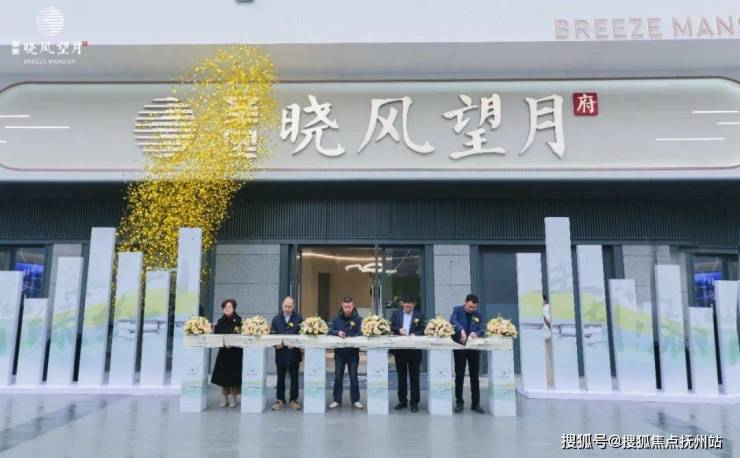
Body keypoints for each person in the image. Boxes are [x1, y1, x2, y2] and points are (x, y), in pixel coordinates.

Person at [450, 294, 485, 414]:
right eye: (469, 307)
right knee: (459, 376)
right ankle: (459, 402)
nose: (471, 309)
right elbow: (453, 321)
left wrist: (477, 334)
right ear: (465, 302)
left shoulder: (478, 314)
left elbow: (482, 329)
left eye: (474, 307)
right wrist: (461, 330)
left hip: (473, 349)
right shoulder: (457, 310)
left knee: (474, 377)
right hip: (460, 347)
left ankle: (476, 404)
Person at [390, 296, 425, 412]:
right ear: (402, 304)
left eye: (410, 306)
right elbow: (390, 326)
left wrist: (416, 334)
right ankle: (402, 401)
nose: (408, 308)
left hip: (414, 350)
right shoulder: (396, 314)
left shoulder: (420, 315)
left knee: (415, 377)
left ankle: (414, 402)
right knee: (401, 376)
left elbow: (423, 329)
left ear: (414, 305)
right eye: (406, 306)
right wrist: (398, 330)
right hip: (400, 349)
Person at [328, 297, 363, 409]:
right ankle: (336, 399)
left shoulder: (358, 319)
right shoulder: (336, 318)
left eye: (349, 307)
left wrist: (352, 336)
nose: (347, 309)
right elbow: (329, 330)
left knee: (354, 377)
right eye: (345, 307)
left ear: (353, 306)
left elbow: (361, 332)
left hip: (353, 353)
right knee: (338, 377)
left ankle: (355, 400)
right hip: (339, 352)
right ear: (342, 307)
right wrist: (337, 332)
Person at [270, 296, 304, 410]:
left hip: (294, 353)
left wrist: (296, 344)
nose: (287, 309)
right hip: (280, 353)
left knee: (294, 377)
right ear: (282, 306)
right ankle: (280, 400)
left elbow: (303, 335)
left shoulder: (299, 318)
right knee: (280, 377)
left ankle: (293, 400)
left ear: (293, 306)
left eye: (290, 306)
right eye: (286, 306)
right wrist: (276, 344)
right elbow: (271, 335)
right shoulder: (276, 319)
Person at [211, 298, 243, 408]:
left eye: (229, 307)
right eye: (225, 307)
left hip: (235, 352)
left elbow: (241, 336)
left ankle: (233, 397)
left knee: (234, 376)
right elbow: (216, 335)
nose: (227, 309)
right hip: (224, 352)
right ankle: (225, 397)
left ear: (234, 308)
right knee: (223, 376)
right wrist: (223, 343)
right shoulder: (220, 321)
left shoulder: (238, 320)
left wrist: (233, 343)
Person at [543, 294, 554, 386]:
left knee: (549, 360)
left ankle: (550, 380)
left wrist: (544, 318)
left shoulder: (548, 308)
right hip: (542, 337)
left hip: (548, 337)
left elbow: (550, 323)